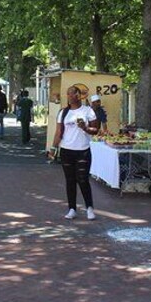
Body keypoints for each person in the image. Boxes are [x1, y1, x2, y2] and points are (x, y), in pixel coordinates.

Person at [48, 85, 100, 220]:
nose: (69, 97)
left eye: (72, 94)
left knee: (83, 179)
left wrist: (85, 127)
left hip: (83, 150)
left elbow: (96, 130)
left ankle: (89, 208)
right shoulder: (63, 112)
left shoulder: (88, 111)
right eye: (68, 94)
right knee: (70, 180)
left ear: (78, 96)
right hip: (66, 150)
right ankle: (72, 209)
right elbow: (58, 132)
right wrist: (53, 148)